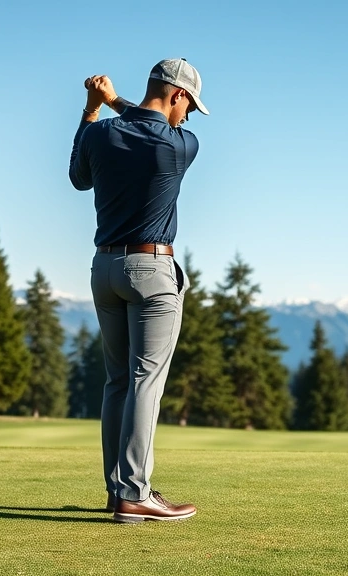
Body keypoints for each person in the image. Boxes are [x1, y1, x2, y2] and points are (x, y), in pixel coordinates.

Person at [68, 58, 209, 523]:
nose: (187, 119)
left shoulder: (98, 133)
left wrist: (94, 109)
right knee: (146, 381)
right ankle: (135, 492)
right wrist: (114, 101)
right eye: (188, 107)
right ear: (178, 95)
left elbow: (78, 178)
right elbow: (147, 121)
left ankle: (118, 491)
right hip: (151, 271)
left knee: (116, 381)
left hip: (104, 269)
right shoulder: (178, 146)